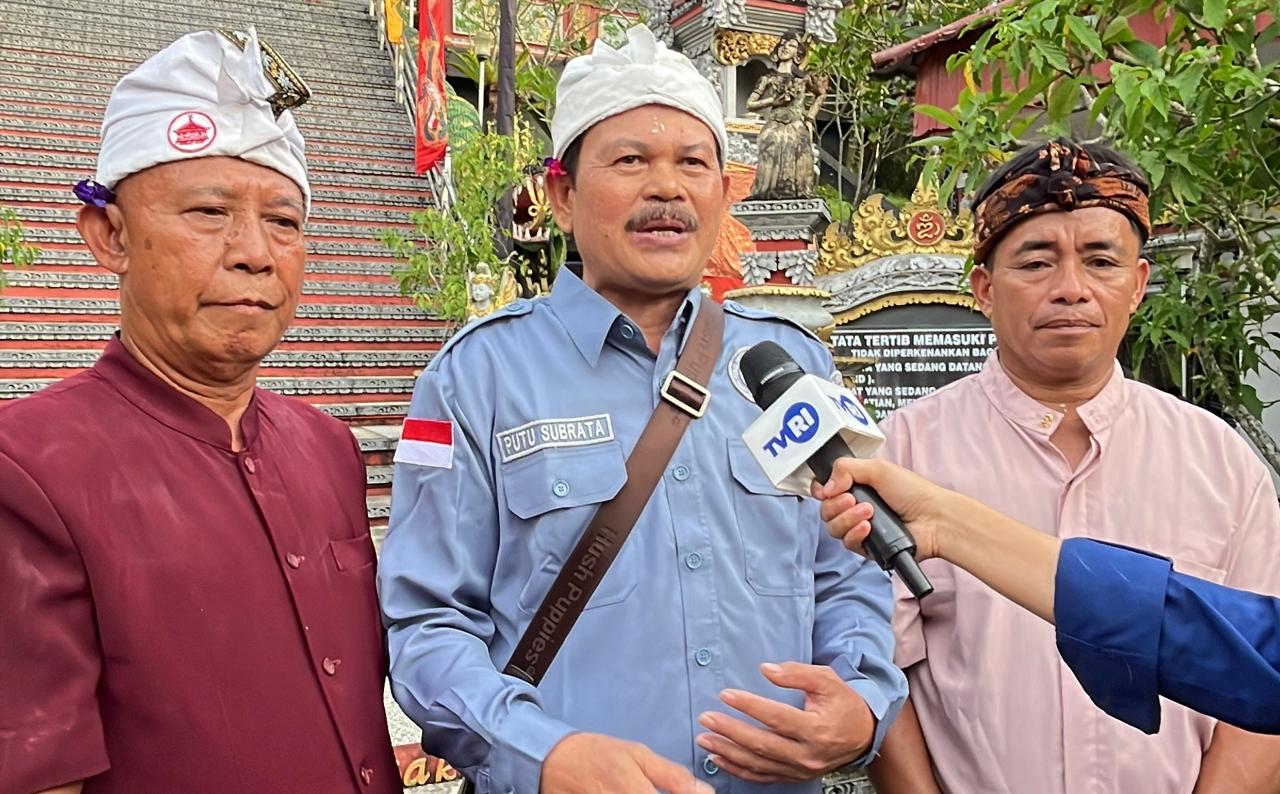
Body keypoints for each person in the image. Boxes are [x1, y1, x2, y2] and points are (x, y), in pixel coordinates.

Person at [378, 25, 906, 794]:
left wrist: (862, 703)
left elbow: (846, 574)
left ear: (725, 192)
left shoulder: (791, 367)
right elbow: (428, 625)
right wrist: (541, 754)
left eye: (693, 163)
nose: (667, 188)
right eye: (630, 161)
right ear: (561, 195)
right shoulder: (476, 378)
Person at [0, 29, 398, 794]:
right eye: (210, 211)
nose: (255, 252)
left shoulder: (327, 447)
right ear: (110, 236)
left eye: (284, 221)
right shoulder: (28, 471)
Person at [869, 139, 1280, 794]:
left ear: (1138, 285)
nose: (1071, 290)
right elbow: (878, 669)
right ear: (983, 288)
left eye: (1100, 261)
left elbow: (1262, 677)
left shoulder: (1220, 463)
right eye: (1036, 263)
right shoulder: (902, 456)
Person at [811, 456, 1280, 736]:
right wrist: (944, 524)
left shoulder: (1222, 457)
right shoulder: (907, 438)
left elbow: (1248, 654)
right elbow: (1239, 643)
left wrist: (947, 524)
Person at [745, 29, 827, 201]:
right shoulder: (767, 78)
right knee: (769, 142)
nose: (785, 48)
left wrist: (810, 118)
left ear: (797, 54)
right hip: (774, 123)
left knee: (799, 147)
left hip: (795, 124)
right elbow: (750, 104)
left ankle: (797, 191)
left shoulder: (803, 79)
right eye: (782, 44)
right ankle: (765, 191)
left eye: (791, 45)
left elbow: (821, 94)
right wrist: (773, 101)